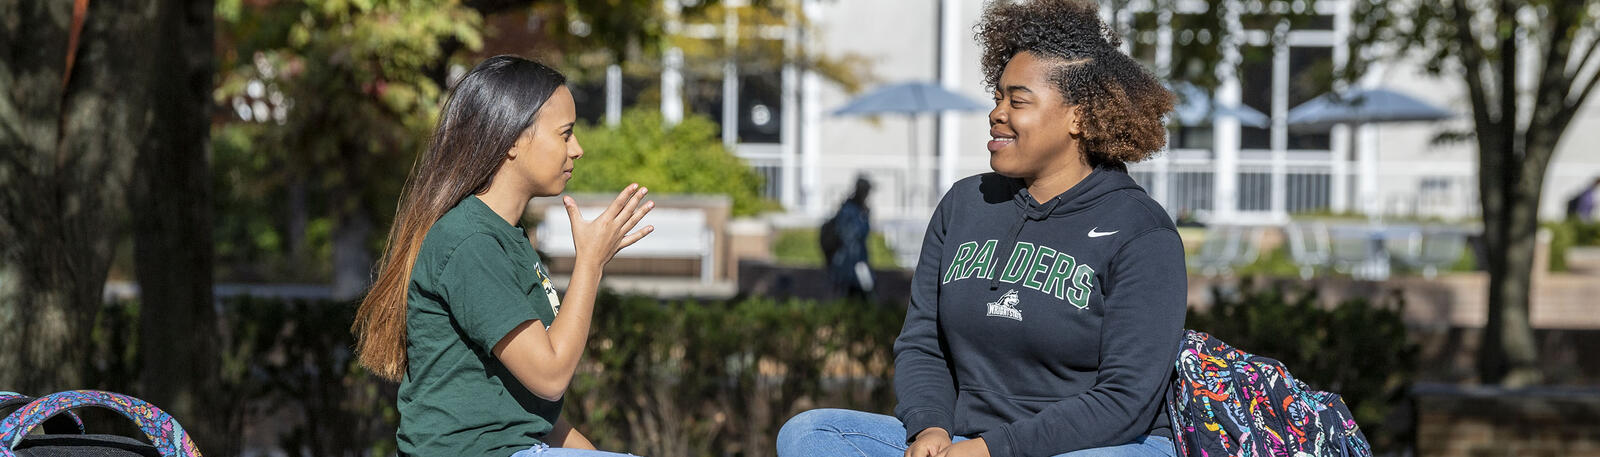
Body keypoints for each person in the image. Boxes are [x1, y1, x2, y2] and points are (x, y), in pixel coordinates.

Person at [777, 1, 1185, 456]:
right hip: (964, 441)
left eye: (1018, 100)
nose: (997, 113)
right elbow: (923, 343)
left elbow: (1125, 400)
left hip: (1098, 445)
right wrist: (929, 429)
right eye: (997, 96)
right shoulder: (966, 204)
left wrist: (995, 449)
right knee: (811, 433)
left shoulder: (1141, 230)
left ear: (1080, 117)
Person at [351, 55, 654, 457]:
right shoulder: (470, 242)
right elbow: (549, 376)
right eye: (565, 134)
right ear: (512, 139)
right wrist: (590, 264)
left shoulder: (502, 236)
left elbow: (535, 411)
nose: (577, 149)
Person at [823, 176, 877, 298]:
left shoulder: (858, 210)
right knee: (851, 296)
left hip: (858, 262)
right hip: (848, 264)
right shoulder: (849, 210)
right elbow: (851, 235)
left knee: (865, 294)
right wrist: (864, 218)